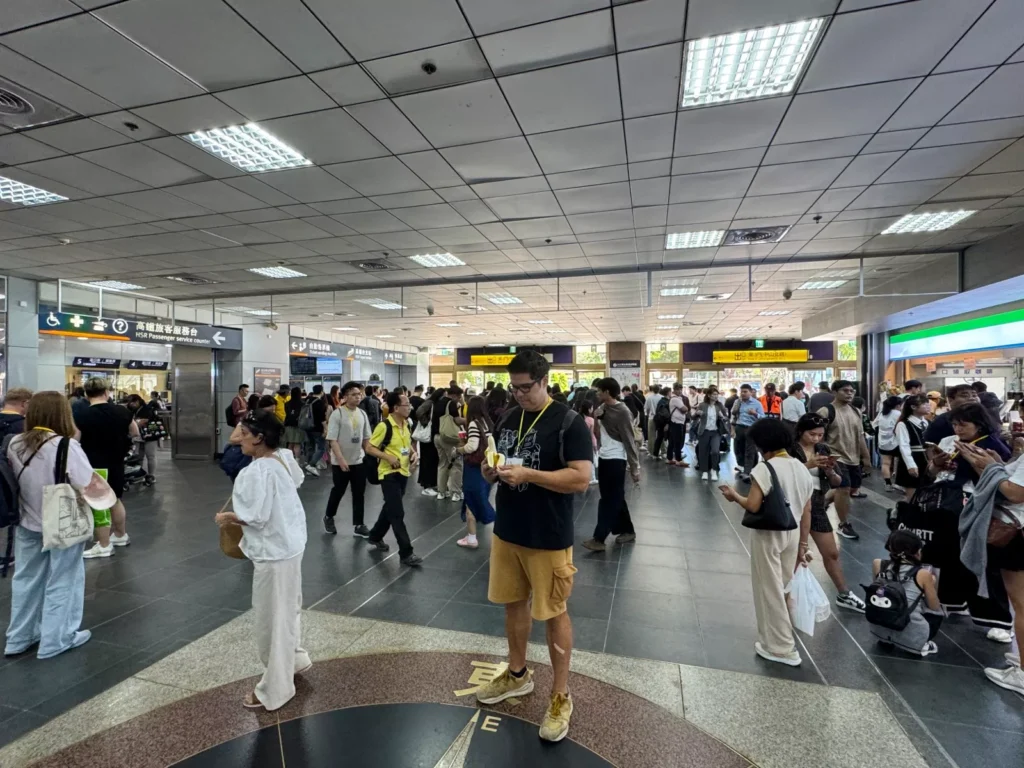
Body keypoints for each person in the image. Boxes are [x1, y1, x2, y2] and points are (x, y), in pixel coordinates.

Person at [473, 351, 593, 743]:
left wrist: (529, 474)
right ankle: (517, 674)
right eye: (514, 387)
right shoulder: (509, 416)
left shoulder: (569, 422)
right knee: (513, 603)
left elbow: (580, 478)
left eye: (526, 387)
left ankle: (561, 696)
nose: (520, 394)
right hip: (509, 530)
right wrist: (491, 469)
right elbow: (496, 459)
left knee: (554, 612)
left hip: (548, 535)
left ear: (544, 381)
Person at [5, 392, 115, 659]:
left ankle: (19, 637)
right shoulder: (65, 446)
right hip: (62, 523)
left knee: (26, 579)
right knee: (64, 578)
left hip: (27, 521)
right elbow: (87, 483)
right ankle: (58, 638)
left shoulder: (15, 443)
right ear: (62, 414)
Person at [213, 410, 309, 710]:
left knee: (271, 620)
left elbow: (255, 516)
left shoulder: (253, 472)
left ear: (259, 437)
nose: (238, 437)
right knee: (289, 608)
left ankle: (275, 688)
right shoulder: (283, 457)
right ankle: (295, 659)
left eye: (244, 431)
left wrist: (228, 516)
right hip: (291, 543)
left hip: (272, 552)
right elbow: (298, 480)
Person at [720, 418, 813, 667]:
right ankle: (782, 639)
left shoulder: (765, 468)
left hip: (768, 533)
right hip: (792, 534)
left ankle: (781, 648)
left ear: (763, 445)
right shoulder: (801, 467)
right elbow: (807, 510)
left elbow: (752, 505)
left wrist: (734, 496)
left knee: (768, 590)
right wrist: (804, 545)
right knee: (781, 587)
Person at [956, 441, 1024, 694]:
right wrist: (997, 464)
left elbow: (1015, 492)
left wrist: (989, 468)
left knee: (1021, 603)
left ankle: (1022, 675)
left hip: (1016, 531)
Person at [789, 414, 866, 612]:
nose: (816, 439)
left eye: (820, 435)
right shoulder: (790, 449)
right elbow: (783, 474)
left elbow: (837, 482)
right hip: (794, 503)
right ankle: (790, 595)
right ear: (801, 431)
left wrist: (831, 471)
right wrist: (809, 465)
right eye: (812, 434)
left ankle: (844, 593)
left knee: (831, 552)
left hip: (816, 502)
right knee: (795, 553)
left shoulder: (822, 449)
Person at [74, 378, 137, 558]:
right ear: (107, 392)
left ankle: (103, 544)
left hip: (94, 465)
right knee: (115, 499)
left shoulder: (82, 415)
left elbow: (75, 440)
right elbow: (135, 432)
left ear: (87, 395)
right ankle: (120, 535)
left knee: (99, 503)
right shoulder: (123, 412)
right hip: (116, 462)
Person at [365, 392, 422, 566]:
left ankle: (375, 536)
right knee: (397, 513)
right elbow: (369, 448)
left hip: (403, 472)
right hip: (388, 474)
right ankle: (406, 553)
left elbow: (406, 445)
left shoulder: (406, 424)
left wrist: (414, 453)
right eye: (406, 405)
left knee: (390, 507)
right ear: (396, 408)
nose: (409, 408)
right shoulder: (384, 426)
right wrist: (388, 457)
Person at [583, 378, 639, 551]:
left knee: (609, 499)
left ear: (607, 392)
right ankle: (628, 530)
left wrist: (634, 467)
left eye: (600, 391)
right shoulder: (601, 409)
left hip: (617, 458)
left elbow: (629, 439)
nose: (597, 394)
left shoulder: (622, 411)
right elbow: (598, 434)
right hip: (604, 456)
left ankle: (599, 538)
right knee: (615, 496)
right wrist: (597, 418)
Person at [870, 530, 943, 656]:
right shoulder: (922, 574)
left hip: (878, 628)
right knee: (937, 613)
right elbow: (934, 606)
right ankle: (923, 644)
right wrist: (932, 584)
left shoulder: (878, 564)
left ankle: (887, 641)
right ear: (918, 552)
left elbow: (880, 590)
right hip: (912, 637)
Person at [817, 381, 870, 541]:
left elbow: (860, 435)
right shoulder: (826, 411)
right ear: (834, 392)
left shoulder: (855, 411)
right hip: (836, 456)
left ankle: (824, 501)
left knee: (853, 489)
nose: (849, 394)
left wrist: (866, 457)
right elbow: (818, 436)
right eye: (845, 391)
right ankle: (843, 524)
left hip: (853, 457)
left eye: (852, 391)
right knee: (844, 489)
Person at [323, 381, 372, 538]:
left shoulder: (362, 414)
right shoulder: (338, 414)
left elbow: (366, 439)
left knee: (359, 493)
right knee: (338, 491)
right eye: (353, 394)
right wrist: (340, 459)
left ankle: (359, 524)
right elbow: (332, 440)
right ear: (345, 397)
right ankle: (329, 516)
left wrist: (370, 456)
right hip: (341, 462)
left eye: (359, 394)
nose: (358, 397)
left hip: (358, 461)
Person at [457, 396, 495, 549]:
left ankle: (472, 537)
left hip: (473, 466)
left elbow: (472, 446)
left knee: (471, 500)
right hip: (486, 464)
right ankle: (472, 535)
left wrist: (458, 450)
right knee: (479, 497)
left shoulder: (473, 423)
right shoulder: (488, 422)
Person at [894, 395, 932, 504]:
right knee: (913, 496)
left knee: (927, 493)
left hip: (928, 459)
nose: (928, 406)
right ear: (913, 407)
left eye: (928, 403)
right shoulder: (903, 424)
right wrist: (910, 465)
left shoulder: (928, 423)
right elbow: (904, 446)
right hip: (912, 459)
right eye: (924, 404)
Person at [433, 386, 466, 502]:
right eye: (459, 396)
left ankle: (441, 492)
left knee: (443, 464)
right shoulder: (451, 404)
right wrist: (470, 420)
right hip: (448, 438)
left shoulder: (437, 402)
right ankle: (456, 493)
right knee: (457, 464)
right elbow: (457, 420)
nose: (460, 398)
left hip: (436, 437)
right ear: (454, 395)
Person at [694, 387, 729, 481]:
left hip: (716, 432)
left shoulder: (719, 405)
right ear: (708, 395)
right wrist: (698, 413)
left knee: (715, 451)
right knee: (703, 452)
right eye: (713, 394)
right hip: (704, 431)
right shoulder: (702, 405)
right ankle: (704, 471)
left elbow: (726, 418)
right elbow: (694, 417)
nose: (715, 396)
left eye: (717, 394)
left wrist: (722, 417)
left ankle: (714, 469)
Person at [731, 384, 764, 481]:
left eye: (745, 391)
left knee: (749, 450)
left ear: (750, 392)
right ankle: (742, 465)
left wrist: (755, 413)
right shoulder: (737, 401)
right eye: (741, 391)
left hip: (751, 428)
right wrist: (732, 429)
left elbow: (763, 417)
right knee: (738, 448)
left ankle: (747, 471)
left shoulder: (757, 403)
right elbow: (733, 414)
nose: (743, 393)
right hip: (739, 427)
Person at [417, 387, 446, 497]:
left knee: (432, 459)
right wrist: (427, 423)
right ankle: (427, 485)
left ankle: (431, 483)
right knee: (427, 460)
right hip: (427, 437)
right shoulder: (430, 402)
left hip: (431, 436)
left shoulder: (435, 403)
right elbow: (419, 412)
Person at [126, 394, 159, 481]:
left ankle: (151, 475)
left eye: (131, 402)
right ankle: (139, 474)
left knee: (150, 456)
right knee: (138, 457)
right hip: (139, 436)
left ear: (137, 401)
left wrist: (137, 423)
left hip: (149, 436)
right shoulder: (133, 410)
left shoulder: (147, 409)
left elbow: (144, 422)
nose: (130, 405)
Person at [873, 395, 903, 492]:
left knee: (885, 463)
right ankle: (899, 483)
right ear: (898, 405)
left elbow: (874, 424)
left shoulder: (882, 413)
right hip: (896, 442)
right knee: (901, 462)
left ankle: (888, 484)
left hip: (883, 443)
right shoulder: (898, 414)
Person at [302, 385, 328, 477]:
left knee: (310, 447)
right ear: (321, 392)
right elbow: (322, 418)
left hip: (307, 426)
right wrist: (325, 429)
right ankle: (311, 465)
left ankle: (309, 467)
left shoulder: (307, 400)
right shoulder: (320, 402)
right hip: (317, 428)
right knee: (321, 448)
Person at [666, 383, 690, 468]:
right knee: (677, 441)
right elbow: (684, 409)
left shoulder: (674, 399)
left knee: (672, 441)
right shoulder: (676, 399)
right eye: (678, 389)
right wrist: (685, 408)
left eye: (681, 389)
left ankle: (669, 458)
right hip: (677, 423)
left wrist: (685, 409)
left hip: (675, 422)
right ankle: (678, 460)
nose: (680, 391)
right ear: (674, 390)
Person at [577, 399, 599, 485]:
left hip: (579, 443)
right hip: (588, 443)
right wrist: (594, 446)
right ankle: (592, 478)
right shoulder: (590, 420)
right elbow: (591, 435)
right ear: (589, 409)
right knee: (591, 461)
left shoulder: (578, 418)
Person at [283, 387, 305, 459]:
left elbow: (286, 414)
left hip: (288, 425)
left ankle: (289, 459)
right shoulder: (303, 404)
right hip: (299, 425)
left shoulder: (286, 404)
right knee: (297, 444)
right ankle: (297, 460)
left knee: (290, 443)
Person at [644, 385, 664, 458]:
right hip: (661, 419)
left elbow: (647, 408)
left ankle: (652, 452)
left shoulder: (649, 397)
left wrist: (649, 415)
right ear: (659, 390)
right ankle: (663, 451)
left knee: (651, 435)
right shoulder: (662, 397)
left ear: (652, 390)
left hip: (652, 418)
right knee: (661, 435)